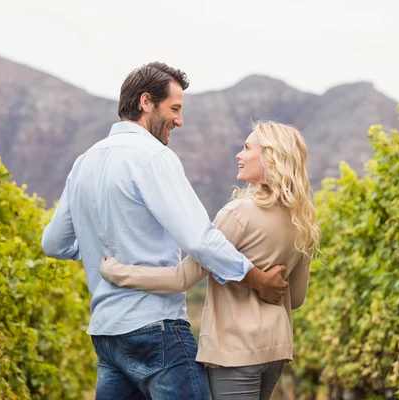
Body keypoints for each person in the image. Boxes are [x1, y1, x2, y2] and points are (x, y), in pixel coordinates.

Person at [41, 62, 288, 400]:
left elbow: (53, 243)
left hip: (108, 334)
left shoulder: (84, 162)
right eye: (174, 108)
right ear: (146, 102)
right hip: (157, 330)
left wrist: (99, 242)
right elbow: (200, 240)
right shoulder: (153, 157)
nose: (179, 120)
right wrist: (257, 279)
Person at [101, 121, 320, 400]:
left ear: (270, 156)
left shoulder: (239, 213)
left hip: (235, 353)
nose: (238, 155)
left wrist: (116, 272)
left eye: (247, 147)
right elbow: (296, 298)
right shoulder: (302, 221)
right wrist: (263, 284)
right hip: (276, 349)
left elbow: (183, 278)